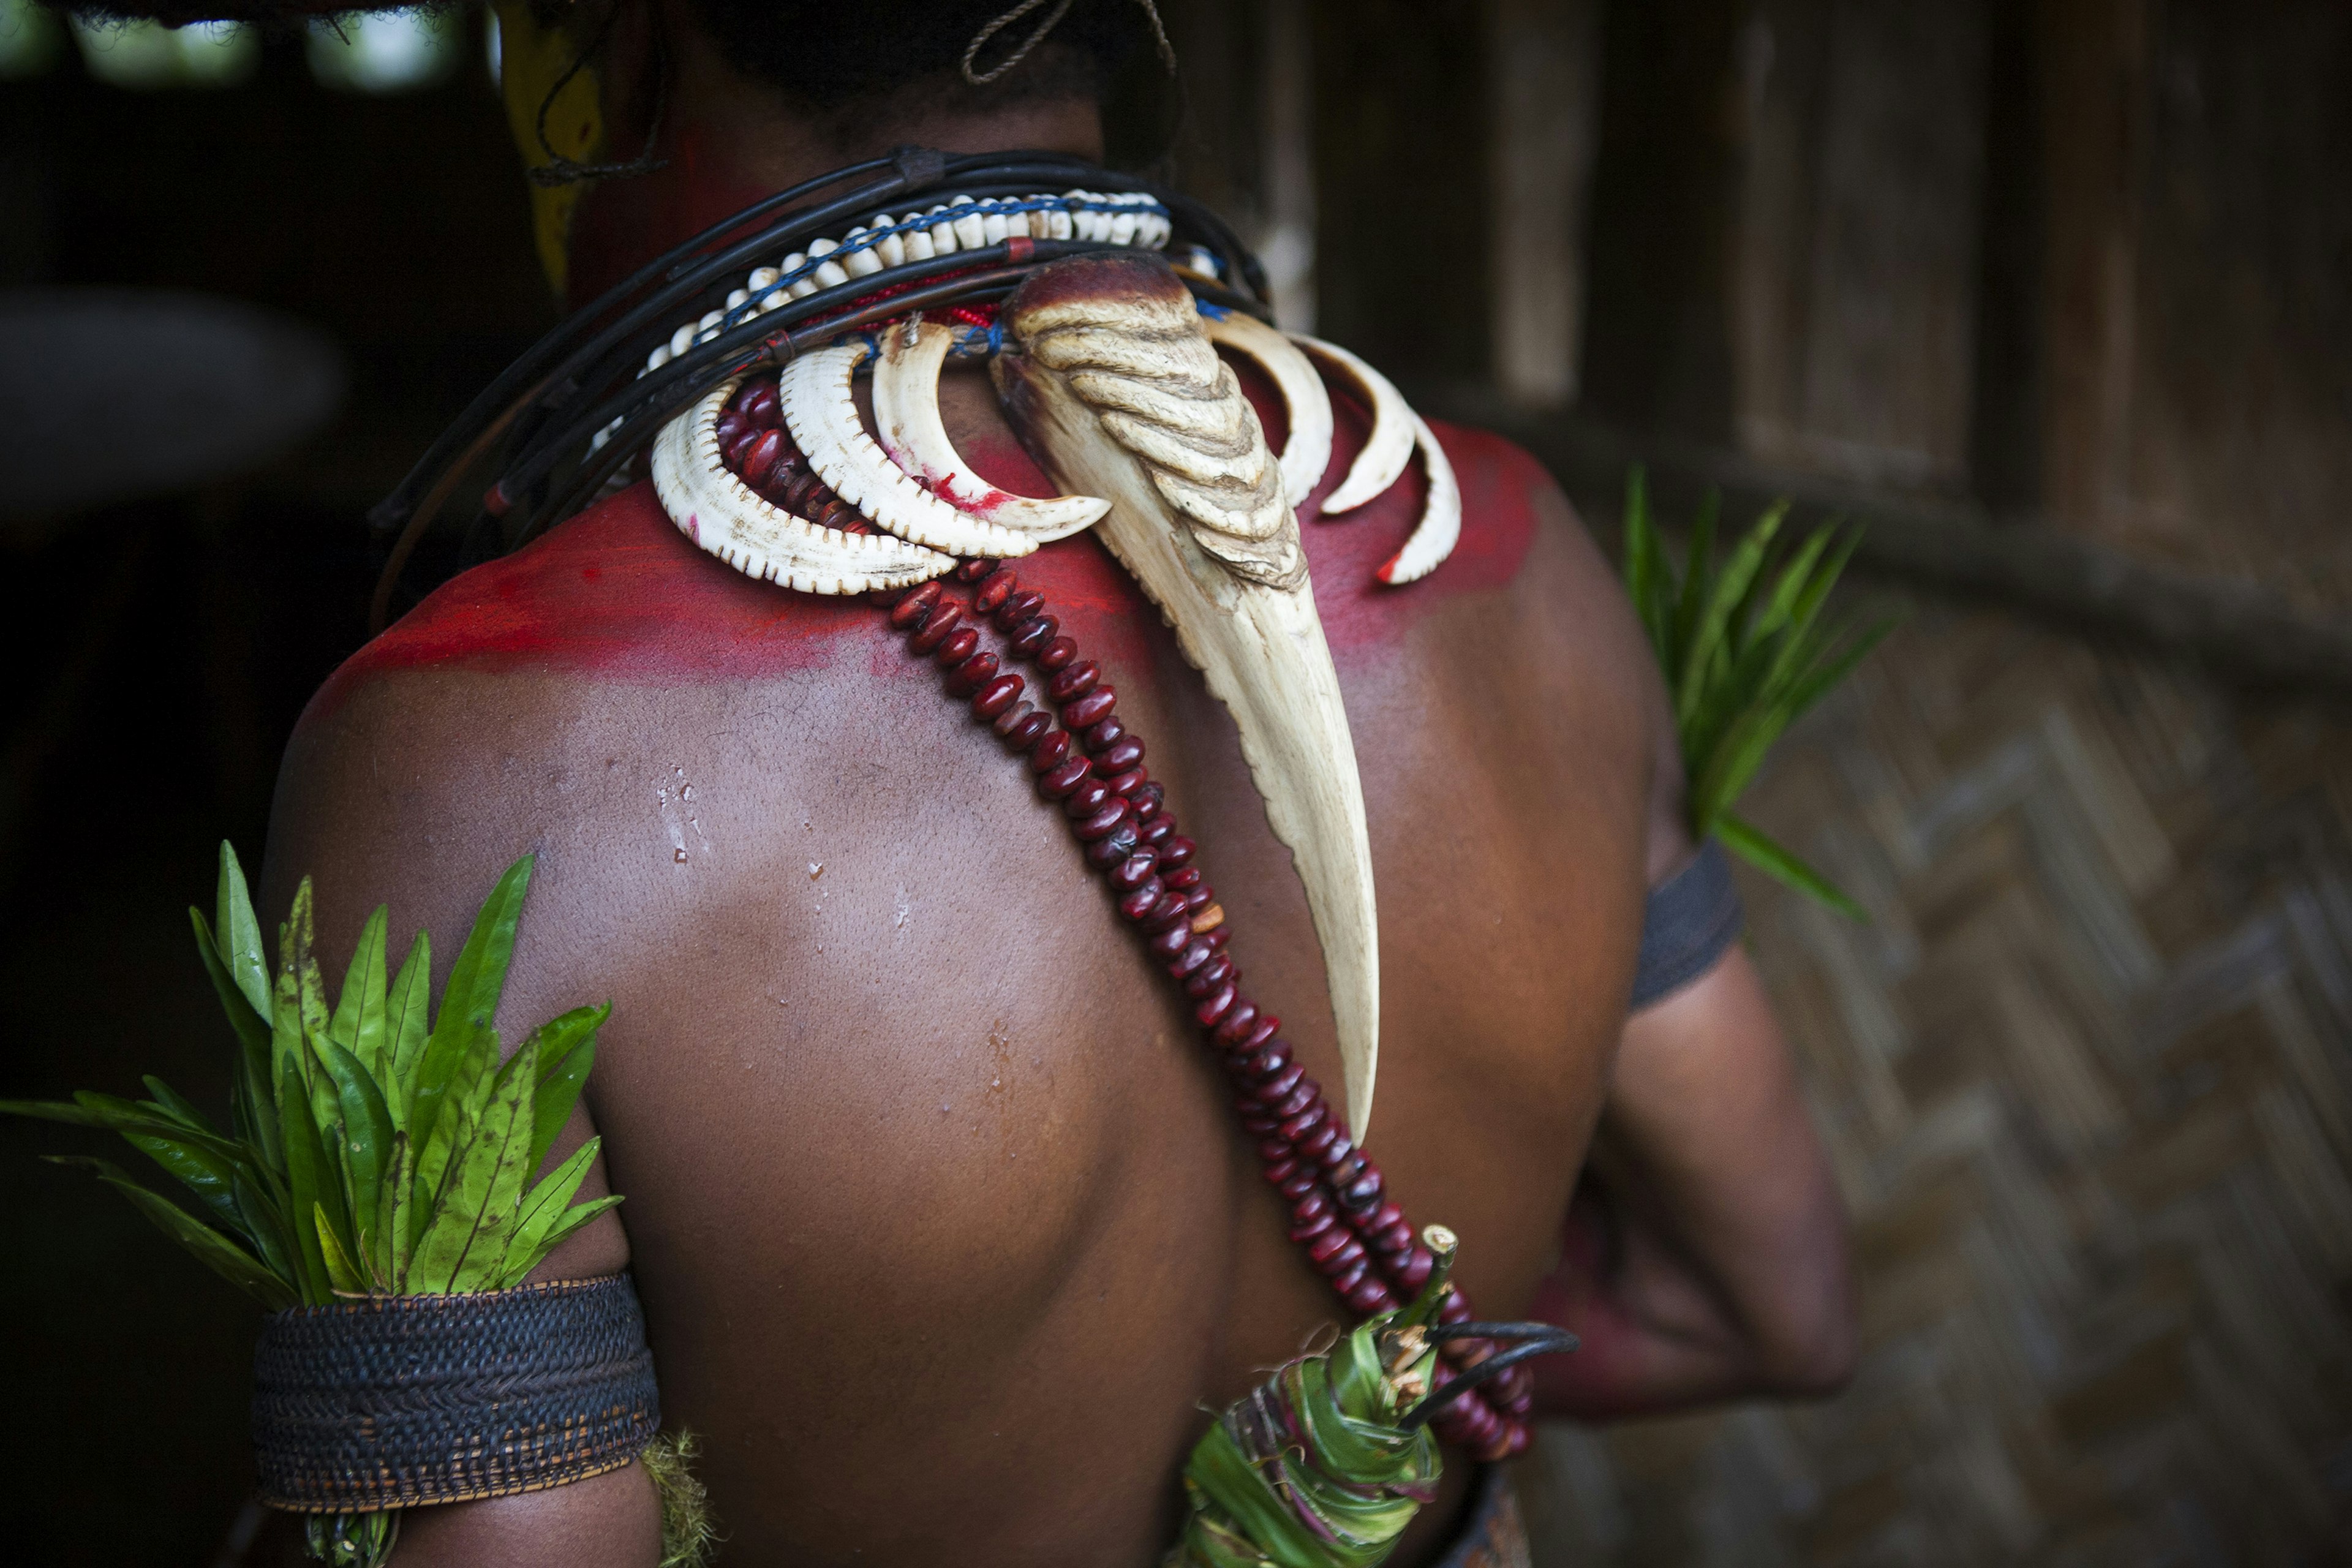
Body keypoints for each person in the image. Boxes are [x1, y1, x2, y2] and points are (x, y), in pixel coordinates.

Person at [262, 1, 1856, 1560]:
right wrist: (1387, 1419)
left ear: (615, 53)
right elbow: (1760, 1302)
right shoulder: (1520, 568)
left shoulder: (469, 759)